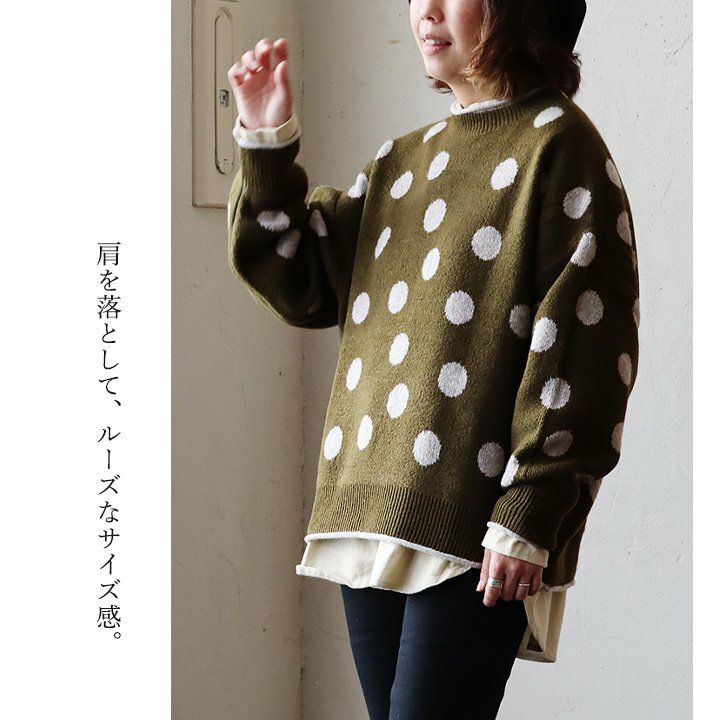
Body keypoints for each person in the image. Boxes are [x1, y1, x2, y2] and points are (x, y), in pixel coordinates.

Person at [226, 1, 640, 717]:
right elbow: (301, 279)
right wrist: (267, 143)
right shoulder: (401, 161)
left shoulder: (558, 145)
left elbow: (586, 343)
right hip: (369, 512)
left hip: (474, 523)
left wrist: (531, 508)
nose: (427, 9)